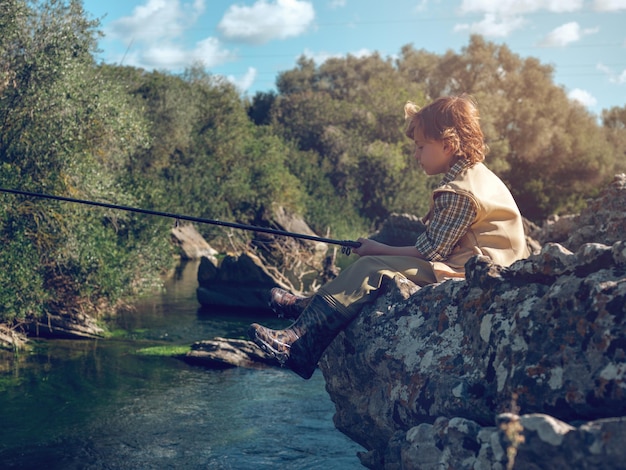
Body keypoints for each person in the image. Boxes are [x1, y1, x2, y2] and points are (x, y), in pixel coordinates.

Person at [249, 94, 530, 380]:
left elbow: (432, 252)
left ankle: (296, 340)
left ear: (448, 145)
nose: (415, 155)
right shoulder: (476, 176)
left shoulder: (461, 192)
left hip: (477, 276)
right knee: (376, 262)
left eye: (421, 147)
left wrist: (376, 249)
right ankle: (308, 313)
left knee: (372, 268)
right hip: (484, 267)